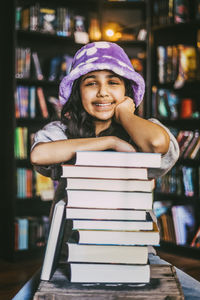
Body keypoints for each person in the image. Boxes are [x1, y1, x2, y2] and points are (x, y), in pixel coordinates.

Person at [30, 41, 179, 211]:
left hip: (128, 229)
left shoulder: (142, 130)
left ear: (127, 90)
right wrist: (110, 142)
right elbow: (39, 155)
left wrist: (125, 114)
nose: (103, 92)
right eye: (91, 83)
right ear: (78, 92)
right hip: (73, 231)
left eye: (113, 82)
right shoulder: (61, 131)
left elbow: (156, 144)